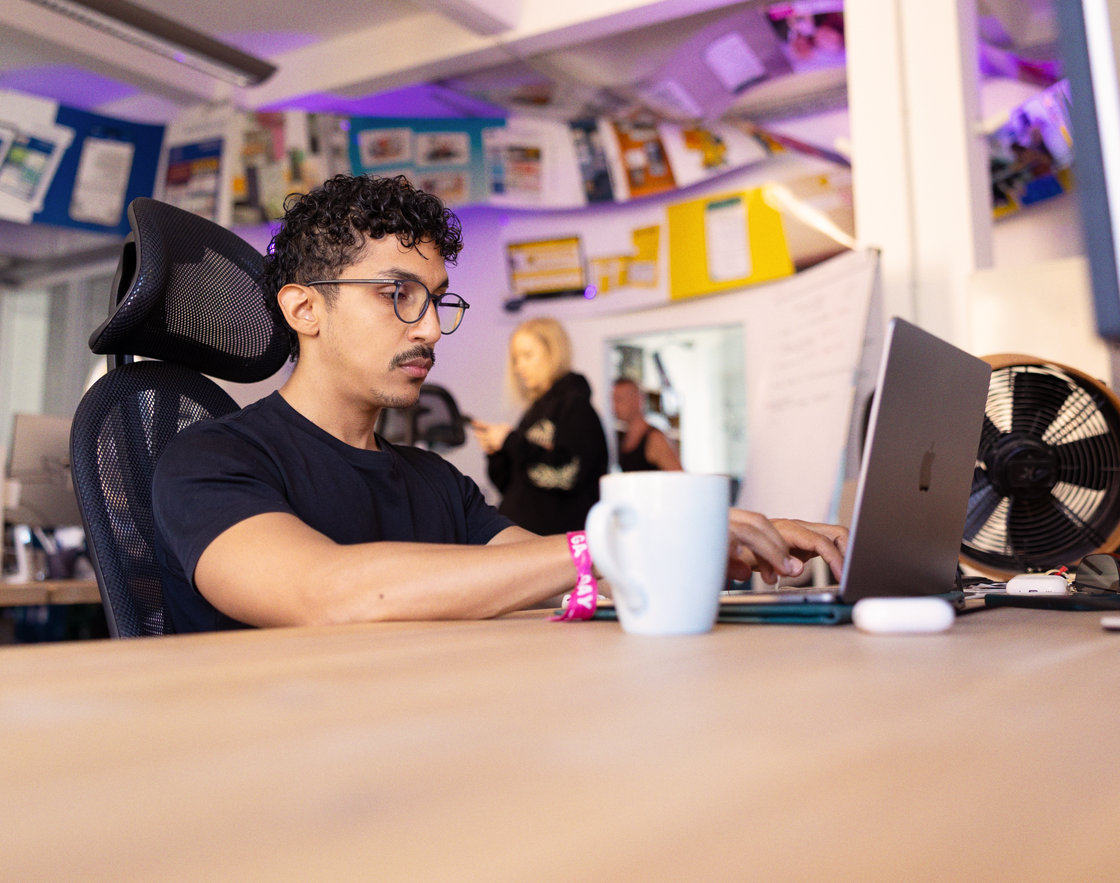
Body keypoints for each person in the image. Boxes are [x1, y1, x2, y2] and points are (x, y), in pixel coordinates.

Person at [151, 174, 847, 631]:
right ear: (304, 308)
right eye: (398, 296)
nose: (428, 327)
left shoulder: (435, 483)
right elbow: (328, 595)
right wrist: (606, 544)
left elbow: (557, 578)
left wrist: (697, 542)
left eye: (435, 301)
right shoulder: (208, 460)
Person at [468, 319, 607, 535]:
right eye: (515, 359)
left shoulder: (577, 407)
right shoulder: (533, 411)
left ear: (553, 352)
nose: (518, 367)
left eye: (527, 355)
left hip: (556, 543)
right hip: (522, 539)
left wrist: (510, 441)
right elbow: (514, 485)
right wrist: (497, 451)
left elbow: (568, 475)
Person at [611, 377, 682, 472]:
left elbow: (678, 475)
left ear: (638, 400)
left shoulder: (655, 439)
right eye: (613, 400)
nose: (614, 406)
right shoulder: (624, 439)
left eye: (620, 399)